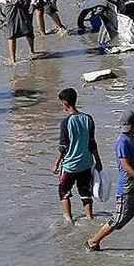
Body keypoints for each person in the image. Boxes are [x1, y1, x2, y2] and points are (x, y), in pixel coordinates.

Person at [86, 111, 134, 252]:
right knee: (118, 219)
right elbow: (125, 166)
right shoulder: (122, 141)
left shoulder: (132, 138)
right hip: (128, 189)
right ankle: (93, 241)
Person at [52, 88, 101, 223]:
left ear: (65, 103)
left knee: (64, 192)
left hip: (70, 165)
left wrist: (56, 163)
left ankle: (68, 220)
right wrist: (98, 161)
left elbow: (63, 146)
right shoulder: (88, 119)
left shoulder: (66, 122)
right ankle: (90, 218)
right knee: (85, 192)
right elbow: (92, 143)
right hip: (86, 163)